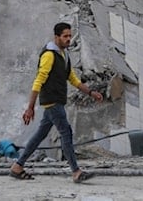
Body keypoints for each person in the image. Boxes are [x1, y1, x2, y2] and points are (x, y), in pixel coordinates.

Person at [10, 22, 104, 183]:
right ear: (56, 37)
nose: (69, 39)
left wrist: (90, 92)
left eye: (69, 35)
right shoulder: (49, 55)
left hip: (56, 101)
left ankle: (17, 166)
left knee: (40, 134)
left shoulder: (64, 55)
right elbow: (38, 80)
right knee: (66, 132)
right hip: (52, 102)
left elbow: (72, 79)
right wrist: (30, 107)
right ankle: (76, 171)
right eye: (65, 36)